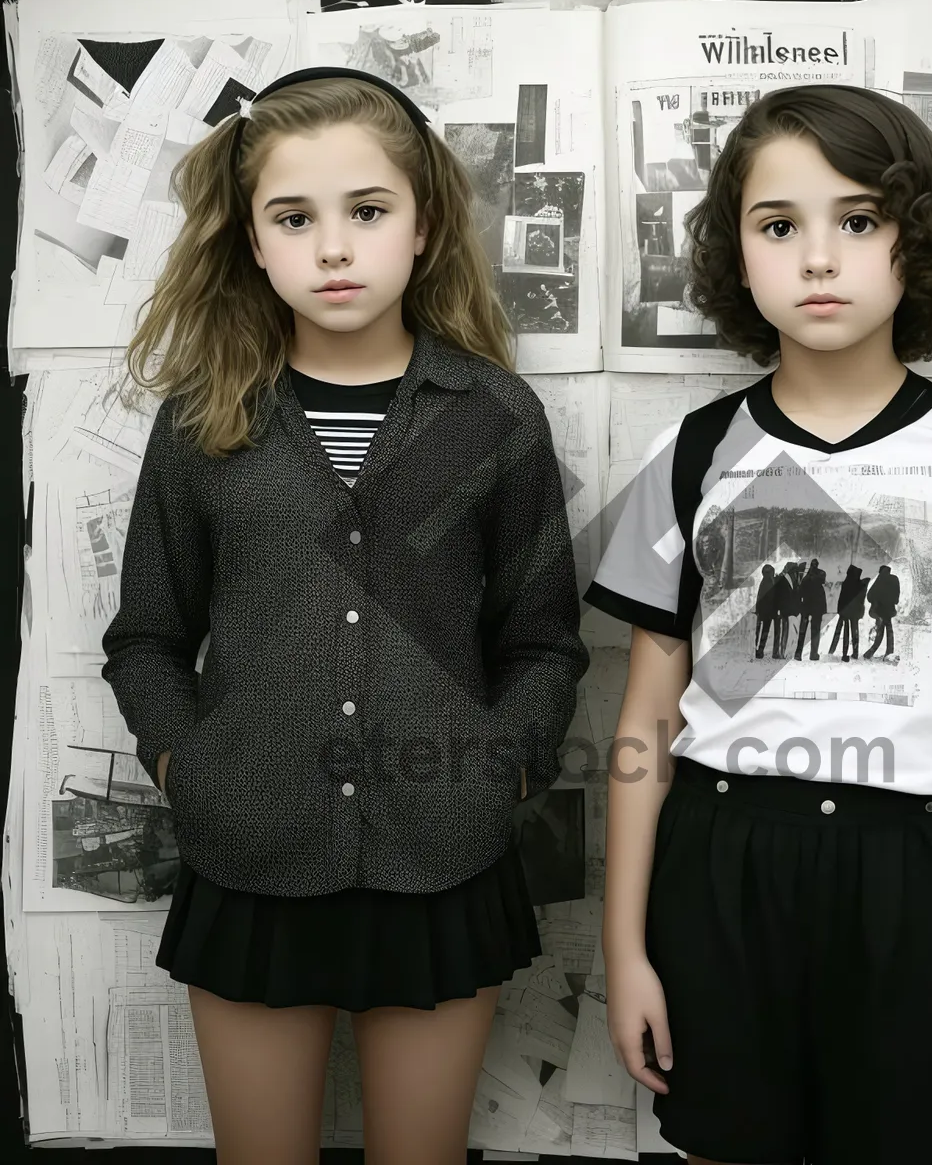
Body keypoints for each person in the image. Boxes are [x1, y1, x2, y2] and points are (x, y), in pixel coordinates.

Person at [584, 85, 932, 1165]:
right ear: (739, 252)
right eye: (781, 226)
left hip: (911, 875)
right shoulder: (689, 457)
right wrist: (625, 948)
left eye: (858, 220)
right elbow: (640, 725)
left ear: (920, 237)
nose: (819, 258)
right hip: (720, 868)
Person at [100, 66, 588, 1165]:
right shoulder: (204, 423)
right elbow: (147, 638)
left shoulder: (495, 416)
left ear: (421, 229)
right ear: (254, 243)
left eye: (367, 212)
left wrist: (501, 771)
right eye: (294, 218)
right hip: (251, 860)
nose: (333, 248)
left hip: (441, 858)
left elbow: (541, 639)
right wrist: (192, 769)